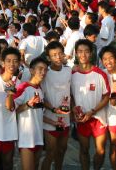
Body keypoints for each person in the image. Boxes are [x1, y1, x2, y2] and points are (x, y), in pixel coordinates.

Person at [71, 39, 110, 170]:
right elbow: (70, 96)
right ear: (76, 53)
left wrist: (92, 111)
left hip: (98, 118)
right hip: (81, 119)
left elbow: (106, 96)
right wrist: (73, 110)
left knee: (101, 150)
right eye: (80, 51)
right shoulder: (72, 74)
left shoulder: (100, 74)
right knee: (84, 149)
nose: (83, 55)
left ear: (91, 53)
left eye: (86, 51)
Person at [7, 57, 48, 170]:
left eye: (45, 69)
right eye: (40, 69)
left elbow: (40, 115)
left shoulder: (40, 90)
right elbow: (11, 109)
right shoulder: (23, 87)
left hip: (38, 137)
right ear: (31, 70)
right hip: (26, 138)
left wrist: (56, 120)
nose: (43, 72)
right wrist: (27, 105)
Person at [41, 41, 71, 170]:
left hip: (66, 118)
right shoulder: (44, 73)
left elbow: (72, 92)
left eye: (60, 54)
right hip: (50, 119)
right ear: (48, 57)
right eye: (54, 55)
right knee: (50, 152)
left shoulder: (69, 71)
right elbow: (40, 97)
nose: (58, 57)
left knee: (62, 150)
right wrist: (53, 109)